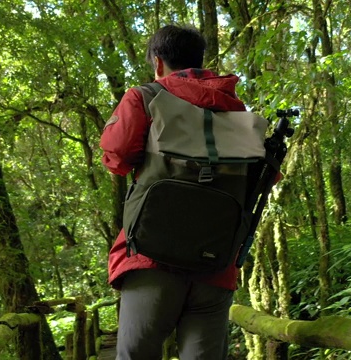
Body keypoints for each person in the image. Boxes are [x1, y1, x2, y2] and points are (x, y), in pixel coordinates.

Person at [99, 25, 245, 360]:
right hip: (216, 265)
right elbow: (260, 179)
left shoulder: (145, 97)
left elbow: (117, 157)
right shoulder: (237, 111)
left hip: (152, 258)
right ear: (200, 61)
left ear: (158, 62)